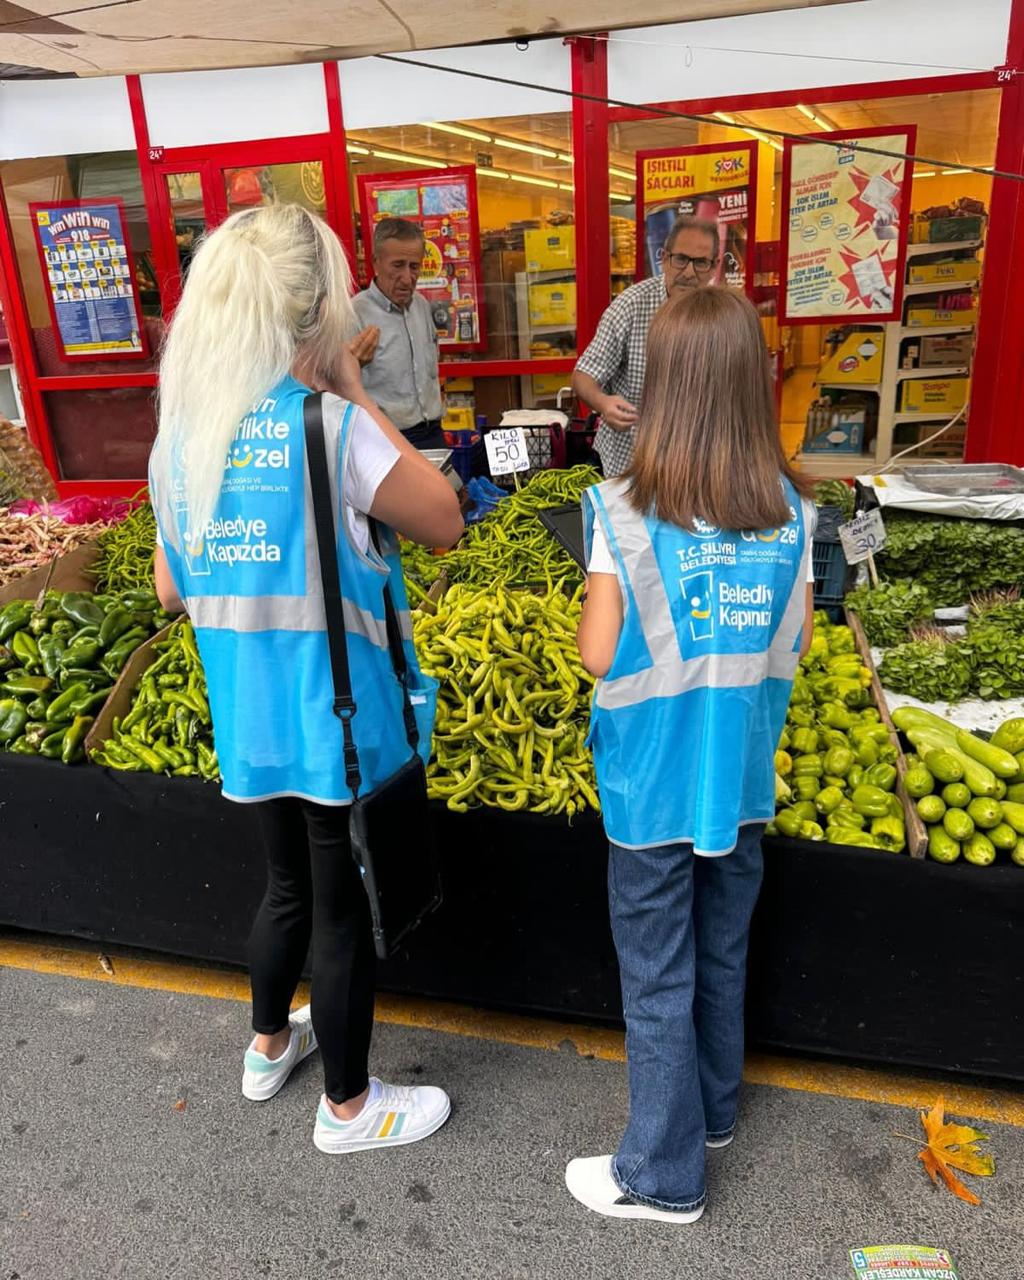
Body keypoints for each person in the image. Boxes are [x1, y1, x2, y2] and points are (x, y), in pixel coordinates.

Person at [148, 204, 463, 1156]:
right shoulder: (331, 429)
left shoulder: (183, 441)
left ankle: (266, 1046)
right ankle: (349, 1108)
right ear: (314, 307)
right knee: (339, 908)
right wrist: (355, 387)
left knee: (284, 886)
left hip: (248, 717)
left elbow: (170, 589)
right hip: (335, 717)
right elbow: (444, 517)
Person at [567, 287, 816, 1223]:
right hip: (740, 785)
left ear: (663, 386)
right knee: (721, 953)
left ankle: (663, 1177)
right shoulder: (793, 513)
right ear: (752, 385)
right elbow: (786, 646)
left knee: (657, 973)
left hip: (649, 794)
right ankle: (712, 1114)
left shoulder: (623, 509)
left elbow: (599, 652)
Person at [571, 215, 720, 478]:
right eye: (681, 259)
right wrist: (604, 403)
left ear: (714, 266)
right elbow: (583, 376)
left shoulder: (725, 316)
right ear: (664, 258)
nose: (688, 272)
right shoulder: (632, 305)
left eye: (700, 263)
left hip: (696, 467)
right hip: (630, 465)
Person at [350, 217, 447, 451]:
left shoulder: (422, 306)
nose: (407, 278)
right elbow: (336, 387)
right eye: (397, 265)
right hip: (385, 441)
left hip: (433, 433)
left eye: (414, 267)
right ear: (376, 262)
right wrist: (352, 363)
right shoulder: (354, 314)